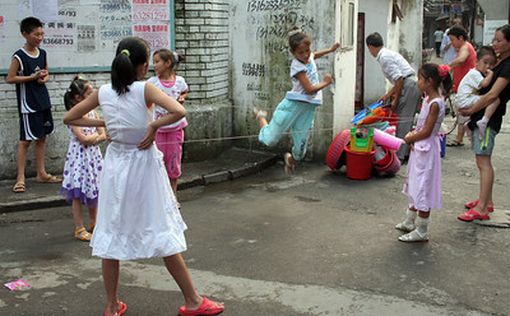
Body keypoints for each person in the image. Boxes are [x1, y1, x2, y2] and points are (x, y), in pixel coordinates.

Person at [63, 37, 224, 316]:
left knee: (110, 232)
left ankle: (112, 305)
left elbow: (70, 118)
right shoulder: (145, 89)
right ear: (144, 66)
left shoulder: (103, 92)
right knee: (160, 228)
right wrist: (153, 127)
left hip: (115, 167)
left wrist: (105, 121)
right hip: (143, 166)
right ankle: (193, 301)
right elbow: (179, 110)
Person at [253, 28, 339, 173]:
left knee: (300, 151)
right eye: (301, 53)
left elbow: (313, 55)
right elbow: (309, 89)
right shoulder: (297, 67)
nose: (305, 55)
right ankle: (261, 117)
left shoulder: (307, 56)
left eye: (307, 50)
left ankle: (290, 160)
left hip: (308, 109)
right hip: (292, 106)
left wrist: (330, 50)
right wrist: (326, 82)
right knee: (270, 140)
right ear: (293, 53)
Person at [457, 24, 510, 222]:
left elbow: (493, 95)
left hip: (488, 119)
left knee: (483, 161)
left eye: (499, 40)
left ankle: (482, 208)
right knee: (482, 161)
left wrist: (471, 110)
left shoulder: (507, 66)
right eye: (494, 40)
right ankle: (485, 201)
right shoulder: (500, 63)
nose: (495, 43)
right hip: (482, 116)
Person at [395, 63, 451, 242]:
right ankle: (410, 220)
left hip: (426, 148)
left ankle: (421, 230)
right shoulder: (427, 98)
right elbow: (422, 126)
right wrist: (414, 136)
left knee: (423, 187)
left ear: (430, 81)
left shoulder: (436, 103)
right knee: (414, 183)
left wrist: (411, 137)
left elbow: (427, 131)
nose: (417, 82)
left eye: (420, 79)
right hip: (420, 147)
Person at [5, 16, 61, 193]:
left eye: (42, 34)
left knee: (42, 136)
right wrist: (31, 78)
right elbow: (10, 78)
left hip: (42, 100)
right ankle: (20, 177)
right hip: (28, 103)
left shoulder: (42, 53)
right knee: (25, 140)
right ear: (25, 34)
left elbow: (46, 72)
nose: (40, 37)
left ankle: (41, 173)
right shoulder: (19, 56)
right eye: (36, 34)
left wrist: (44, 77)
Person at [60, 76, 106, 242]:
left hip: (93, 156)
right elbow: (84, 139)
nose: (93, 97)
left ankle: (95, 222)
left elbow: (102, 134)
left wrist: (94, 137)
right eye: (89, 94)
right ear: (78, 98)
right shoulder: (74, 116)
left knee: (95, 189)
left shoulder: (93, 113)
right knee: (78, 193)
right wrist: (96, 137)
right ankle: (79, 227)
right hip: (79, 157)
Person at [366, 32, 421, 162]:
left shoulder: (384, 57)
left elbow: (399, 79)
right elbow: (398, 80)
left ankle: (399, 156)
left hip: (409, 85)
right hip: (410, 84)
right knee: (405, 120)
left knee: (404, 121)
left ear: (370, 46)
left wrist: (395, 99)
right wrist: (387, 96)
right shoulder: (386, 54)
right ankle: (406, 151)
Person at [148, 49, 188, 205]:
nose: (155, 65)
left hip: (176, 129)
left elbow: (185, 91)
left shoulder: (179, 81)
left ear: (168, 63)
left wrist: (182, 98)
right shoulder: (152, 83)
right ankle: (158, 199)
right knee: (157, 163)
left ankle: (172, 197)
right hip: (158, 129)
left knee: (173, 164)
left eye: (157, 61)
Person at [455, 46, 499, 139]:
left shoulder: (475, 73)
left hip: (464, 100)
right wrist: (491, 74)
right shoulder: (474, 74)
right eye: (485, 62)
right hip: (465, 100)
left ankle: (469, 127)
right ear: (476, 62)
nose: (488, 66)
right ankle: (484, 120)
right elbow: (485, 84)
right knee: (495, 100)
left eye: (491, 64)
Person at [446, 26, 477, 147]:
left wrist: (448, 67)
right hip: (462, 85)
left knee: (463, 112)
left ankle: (459, 139)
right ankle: (459, 138)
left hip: (467, 87)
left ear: (460, 38)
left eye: (453, 40)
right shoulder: (463, 47)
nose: (452, 43)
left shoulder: (465, 47)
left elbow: (461, 59)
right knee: (461, 112)